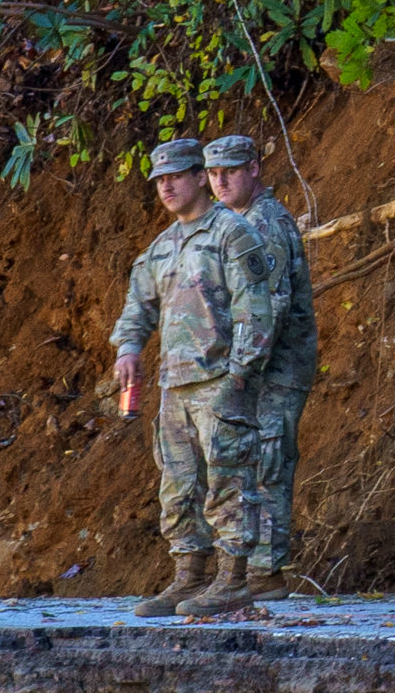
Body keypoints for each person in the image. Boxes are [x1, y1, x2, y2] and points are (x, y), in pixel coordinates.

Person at [108, 137, 276, 617]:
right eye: (160, 180)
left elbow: (255, 312)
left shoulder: (232, 233)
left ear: (200, 176)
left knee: (228, 480)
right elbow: (137, 306)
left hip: (220, 378)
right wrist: (129, 348)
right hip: (174, 386)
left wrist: (241, 377)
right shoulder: (162, 246)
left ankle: (233, 579)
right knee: (178, 486)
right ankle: (188, 577)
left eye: (176, 177)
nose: (167, 187)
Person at [204, 134, 321, 598]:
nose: (221, 181)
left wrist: (241, 374)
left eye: (230, 171)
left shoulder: (264, 224)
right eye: (213, 173)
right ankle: (254, 570)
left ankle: (264, 574)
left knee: (268, 460)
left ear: (254, 168)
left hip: (273, 369)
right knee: (253, 461)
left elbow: (267, 309)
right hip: (257, 368)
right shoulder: (238, 223)